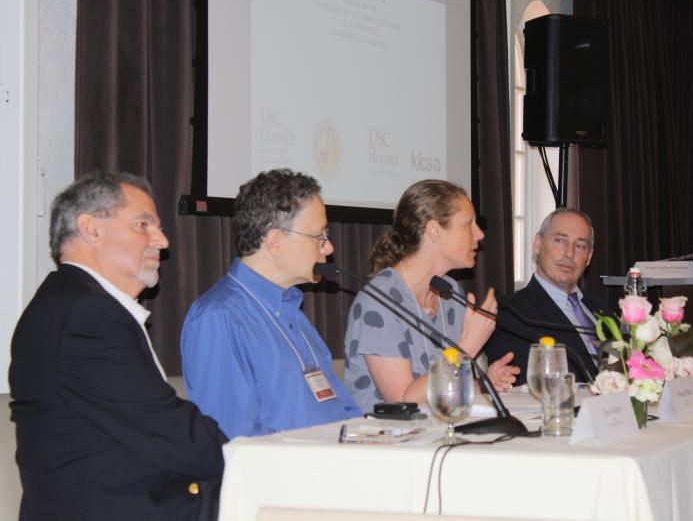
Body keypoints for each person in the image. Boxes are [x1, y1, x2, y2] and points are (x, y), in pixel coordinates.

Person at [9, 171, 227, 521]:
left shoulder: (76, 304)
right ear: (91, 229)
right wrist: (254, 461)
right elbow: (173, 435)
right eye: (144, 225)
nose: (163, 240)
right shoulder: (84, 315)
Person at [181, 169, 362, 438]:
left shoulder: (289, 308)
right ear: (275, 242)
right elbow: (233, 438)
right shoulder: (219, 317)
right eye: (319, 236)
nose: (329, 248)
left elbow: (342, 409)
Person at [344, 179, 519, 412]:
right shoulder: (378, 302)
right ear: (434, 231)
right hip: (386, 441)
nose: (479, 234)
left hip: (438, 435)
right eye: (469, 224)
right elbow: (403, 402)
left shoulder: (450, 293)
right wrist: (468, 345)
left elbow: (442, 391)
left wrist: (482, 385)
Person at [485, 207, 609, 384]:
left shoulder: (600, 307)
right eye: (560, 241)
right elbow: (526, 385)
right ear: (538, 244)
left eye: (580, 246)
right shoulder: (512, 315)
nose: (569, 253)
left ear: (588, 257)